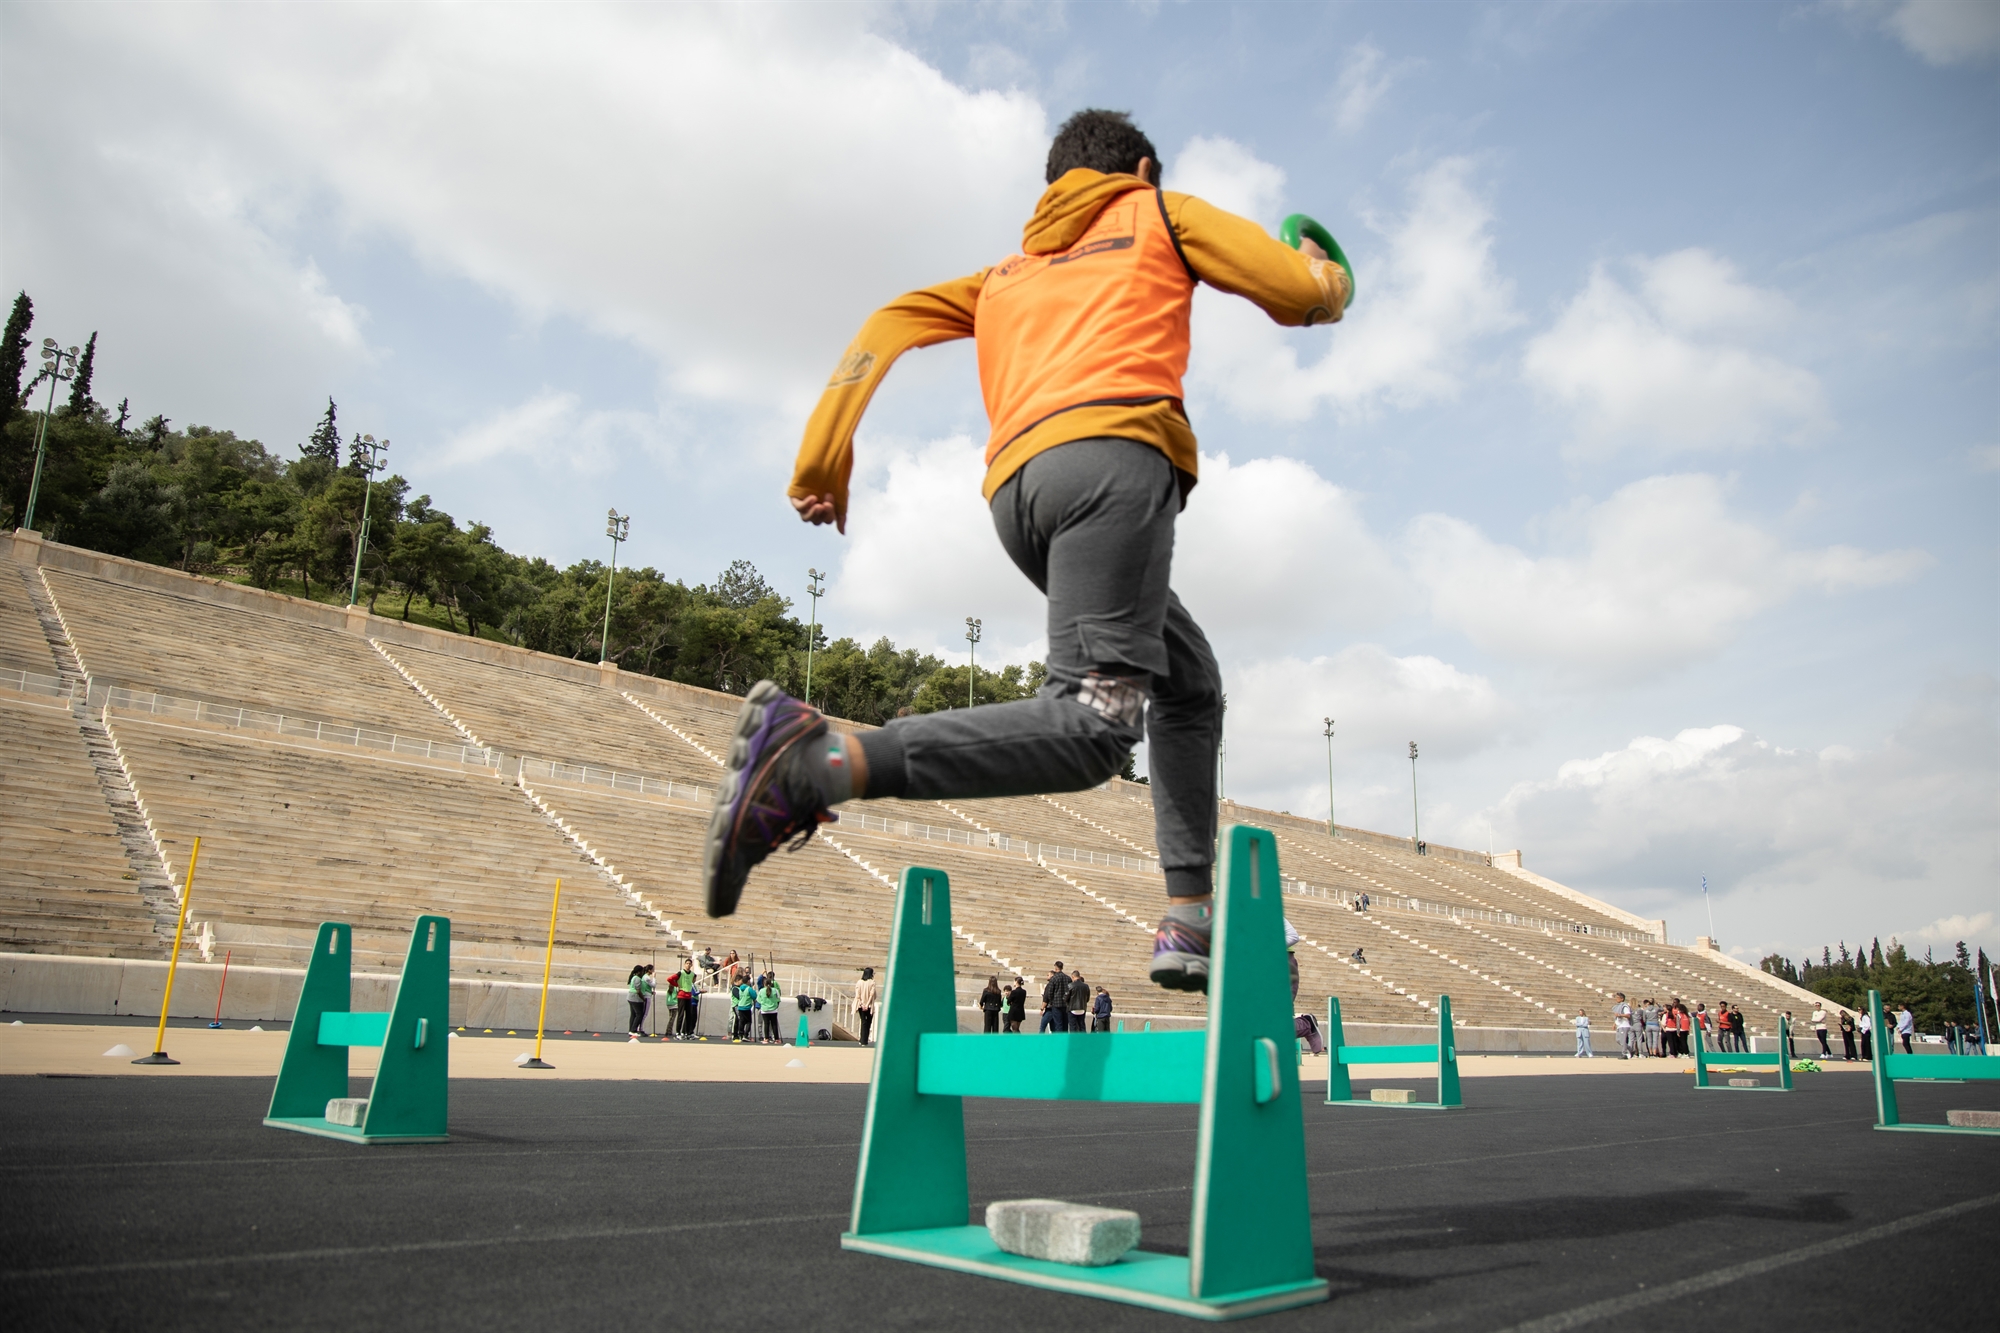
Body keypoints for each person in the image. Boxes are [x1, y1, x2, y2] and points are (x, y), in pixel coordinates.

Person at [698, 108, 1351, 997]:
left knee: (1188, 682)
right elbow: (1302, 296)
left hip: (1023, 499)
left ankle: (1188, 915)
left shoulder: (1007, 270)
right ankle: (821, 761)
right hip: (1115, 473)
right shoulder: (1161, 212)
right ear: (1144, 169)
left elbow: (887, 321)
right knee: (1094, 726)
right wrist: (1325, 273)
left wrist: (822, 458)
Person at [1040, 963, 1069, 1033]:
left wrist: (1052, 1001)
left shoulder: (1054, 979)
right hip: (1065, 1005)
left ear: (1056, 968)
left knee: (1058, 1024)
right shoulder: (1068, 978)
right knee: (1065, 1025)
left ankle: (1058, 1041)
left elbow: (1050, 993)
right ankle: (1065, 1041)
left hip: (1056, 1005)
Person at [626, 963, 653, 1038]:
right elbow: (638, 991)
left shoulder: (633, 977)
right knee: (639, 1014)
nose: (642, 973)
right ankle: (634, 1030)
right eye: (641, 971)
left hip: (630, 997)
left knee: (633, 1014)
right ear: (638, 972)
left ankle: (631, 1030)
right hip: (635, 998)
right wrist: (643, 999)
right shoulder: (637, 979)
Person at [854, 966, 878, 1046]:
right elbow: (872, 995)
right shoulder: (872, 982)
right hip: (869, 1005)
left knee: (863, 1022)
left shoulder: (859, 982)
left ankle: (862, 1039)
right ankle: (864, 1040)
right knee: (868, 1022)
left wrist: (861, 1004)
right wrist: (867, 1004)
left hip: (861, 1005)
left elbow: (858, 995)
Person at [757, 974, 782, 1043]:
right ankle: (776, 1039)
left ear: (764, 984)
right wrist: (776, 1005)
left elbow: (758, 1000)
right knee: (774, 1024)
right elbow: (778, 999)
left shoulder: (761, 991)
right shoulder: (775, 990)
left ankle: (766, 1038)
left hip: (764, 1010)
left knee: (766, 1024)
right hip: (773, 1009)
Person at [731, 974, 755, 1042]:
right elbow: (739, 996)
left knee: (740, 1021)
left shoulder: (740, 988)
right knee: (741, 1020)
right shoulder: (735, 988)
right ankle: (737, 1034)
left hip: (740, 1005)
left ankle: (739, 1034)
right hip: (737, 1005)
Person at [1612, 993, 1635, 1059]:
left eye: (1618, 998)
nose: (1616, 999)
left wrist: (1620, 1015)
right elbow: (1616, 1016)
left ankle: (1624, 1054)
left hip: (1624, 1025)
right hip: (1620, 1025)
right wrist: (1614, 1024)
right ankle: (1630, 1049)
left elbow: (1628, 1015)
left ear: (1622, 999)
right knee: (1618, 1040)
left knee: (1622, 1041)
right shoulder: (1618, 1006)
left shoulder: (1624, 1006)